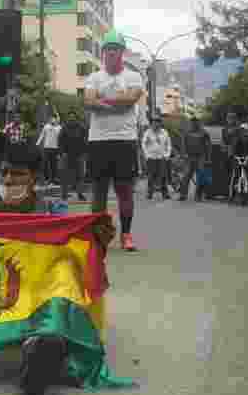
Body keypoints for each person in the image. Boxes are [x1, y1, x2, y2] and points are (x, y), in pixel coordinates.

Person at [83, 29, 144, 251]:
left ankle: (126, 234)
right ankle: (98, 236)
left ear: (122, 53)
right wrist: (115, 102)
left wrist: (102, 100)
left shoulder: (133, 77)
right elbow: (88, 102)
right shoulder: (94, 77)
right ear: (103, 53)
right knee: (99, 191)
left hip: (125, 140)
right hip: (98, 141)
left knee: (124, 190)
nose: (111, 54)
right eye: (108, 50)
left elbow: (130, 100)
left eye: (115, 50)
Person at [180, 117, 212, 202]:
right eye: (193, 122)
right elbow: (183, 144)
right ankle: (183, 194)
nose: (194, 124)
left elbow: (208, 146)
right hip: (189, 157)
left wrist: (208, 158)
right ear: (191, 123)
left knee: (200, 177)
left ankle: (198, 195)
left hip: (200, 157)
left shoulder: (204, 133)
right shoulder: (187, 132)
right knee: (186, 176)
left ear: (199, 123)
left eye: (196, 122)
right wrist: (184, 155)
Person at [58, 113, 88, 202]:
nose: (71, 118)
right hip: (66, 155)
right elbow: (60, 140)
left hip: (79, 155)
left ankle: (80, 193)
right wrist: (62, 152)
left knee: (80, 175)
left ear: (76, 118)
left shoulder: (81, 127)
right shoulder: (64, 128)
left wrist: (84, 152)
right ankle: (64, 194)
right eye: (70, 117)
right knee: (65, 176)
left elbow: (85, 140)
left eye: (73, 117)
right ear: (68, 118)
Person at [141, 114, 172, 200]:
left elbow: (168, 144)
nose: (156, 124)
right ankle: (149, 193)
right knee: (151, 176)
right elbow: (143, 144)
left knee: (163, 176)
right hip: (151, 158)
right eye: (154, 122)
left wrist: (167, 154)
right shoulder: (148, 132)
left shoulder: (164, 132)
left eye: (158, 122)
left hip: (162, 158)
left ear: (160, 123)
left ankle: (165, 194)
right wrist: (146, 155)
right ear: (151, 123)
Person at [36, 117, 62, 185]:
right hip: (47, 147)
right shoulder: (46, 126)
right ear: (49, 119)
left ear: (56, 120)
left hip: (55, 148)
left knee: (54, 164)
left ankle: (53, 179)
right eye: (51, 119)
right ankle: (45, 179)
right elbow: (42, 135)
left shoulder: (59, 128)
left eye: (54, 119)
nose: (53, 120)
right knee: (45, 163)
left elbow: (60, 137)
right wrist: (38, 143)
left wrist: (55, 126)